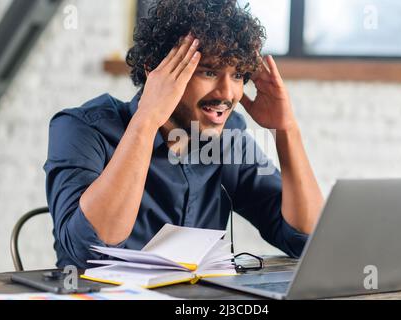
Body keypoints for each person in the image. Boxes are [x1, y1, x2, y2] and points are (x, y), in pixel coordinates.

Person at [44, 0, 324, 268]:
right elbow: (88, 251)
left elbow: (306, 239)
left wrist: (286, 129)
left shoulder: (228, 138)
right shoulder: (82, 129)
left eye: (238, 75)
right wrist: (147, 120)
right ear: (156, 70)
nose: (227, 93)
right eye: (209, 72)